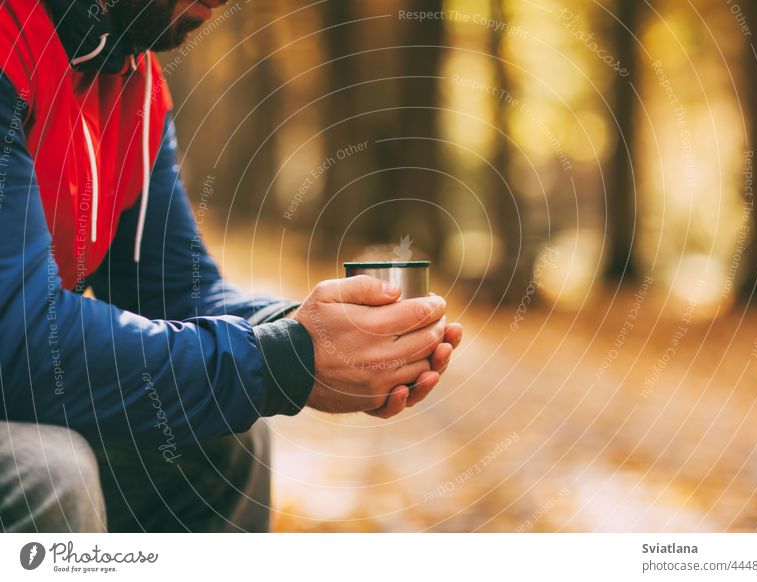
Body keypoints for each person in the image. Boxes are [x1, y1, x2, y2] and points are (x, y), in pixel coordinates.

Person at [0, 0, 462, 532]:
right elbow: (23, 343)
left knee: (223, 442)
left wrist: (317, 334)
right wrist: (285, 363)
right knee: (50, 472)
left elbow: (176, 291)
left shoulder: (130, 83)